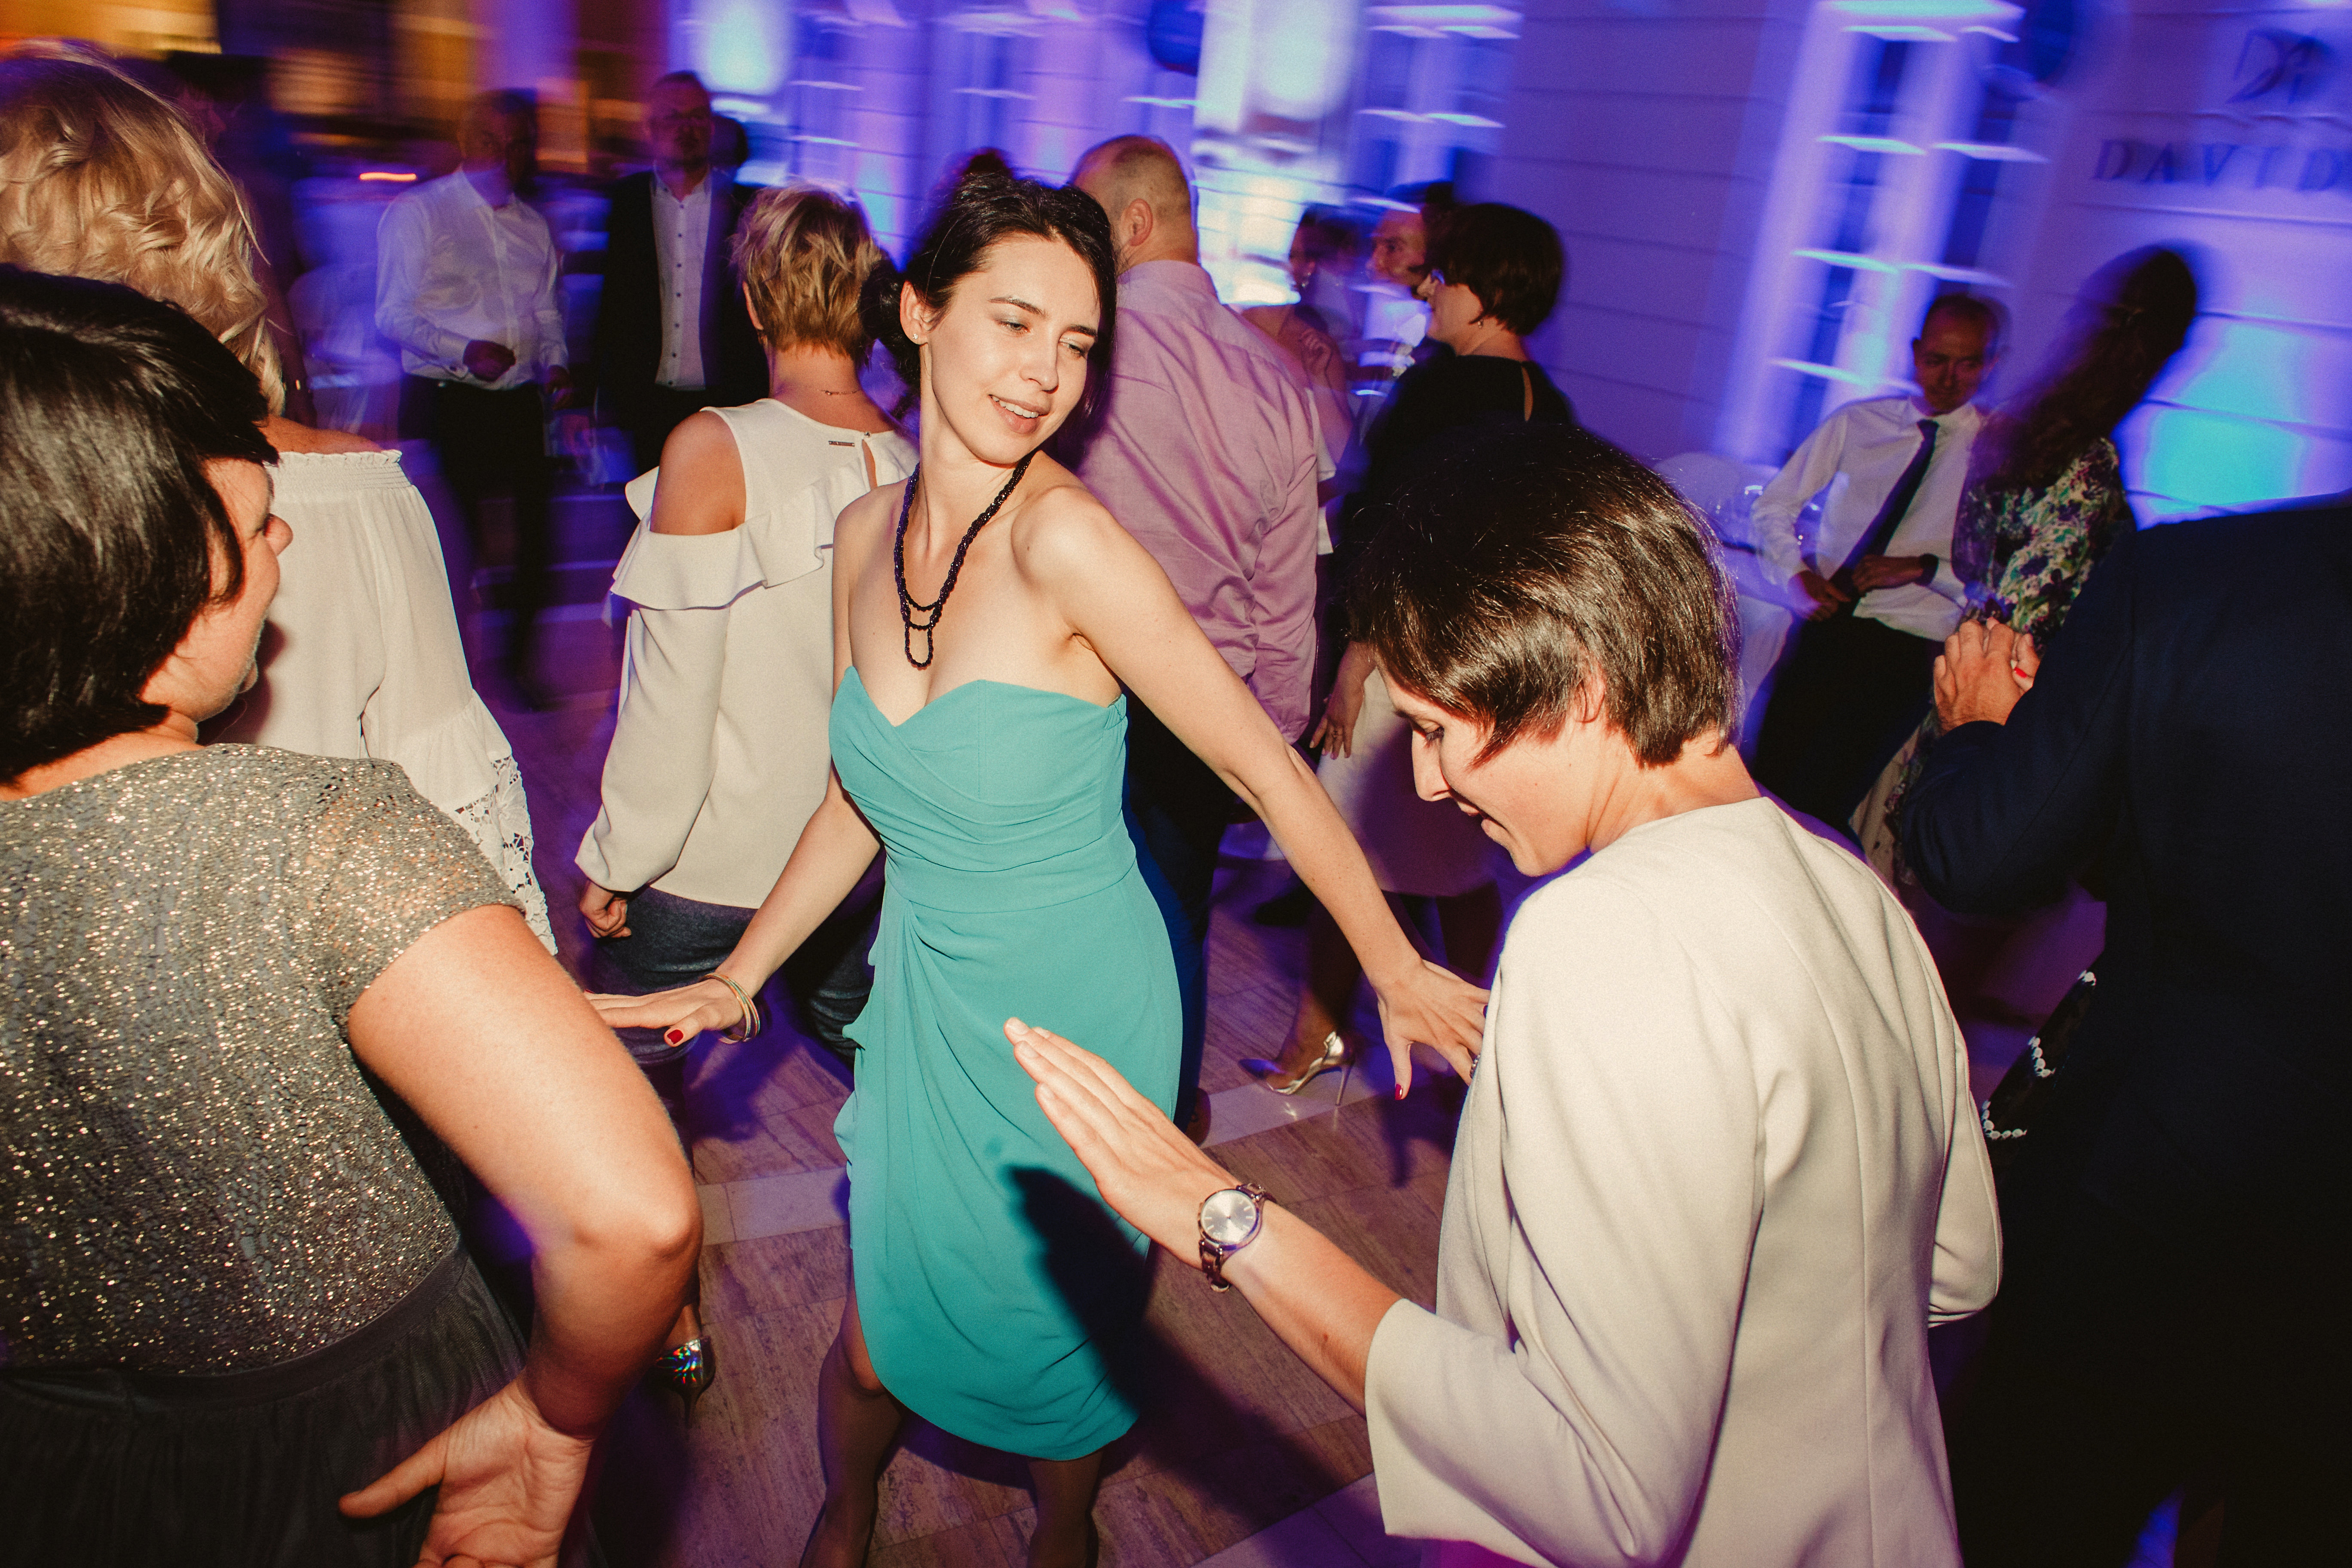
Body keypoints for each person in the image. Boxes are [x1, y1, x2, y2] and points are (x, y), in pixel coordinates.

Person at [589, 168, 1485, 1568]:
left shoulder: (1068, 539)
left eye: (1075, 344)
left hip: (1075, 1009)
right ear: (918, 311)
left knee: (1057, 1332)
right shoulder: (860, 533)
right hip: (926, 1000)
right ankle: (847, 1510)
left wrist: (1391, 962)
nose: (1044, 375)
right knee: (880, 1321)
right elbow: (858, 793)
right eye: (1013, 323)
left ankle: (1065, 1529)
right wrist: (739, 974)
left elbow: (1264, 767)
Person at [1013, 420, 2001, 1567]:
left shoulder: (1601, 933)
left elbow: (1600, 1494)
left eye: (1434, 729)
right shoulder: (1849, 885)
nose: (1427, 781)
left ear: (1578, 684)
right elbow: (1957, 1264)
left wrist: (1228, 1221)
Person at [0, 267, 698, 1565]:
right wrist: (555, 1420)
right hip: (362, 1457)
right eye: (255, 526)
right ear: (137, 565)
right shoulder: (323, 835)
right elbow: (632, 1216)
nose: (285, 546)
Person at [0, 51, 554, 947]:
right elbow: (448, 797)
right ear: (195, 225)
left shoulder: (528, 225)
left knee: (525, 546)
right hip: (310, 963)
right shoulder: (347, 493)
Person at [1900, 484, 2351, 1563]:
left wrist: (1979, 733)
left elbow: (1982, 854)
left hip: (2149, 1213)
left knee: (2032, 1523)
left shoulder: (2201, 582)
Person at [576, 188, 913, 1409]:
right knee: (885, 1067)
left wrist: (617, 856)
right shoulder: (916, 459)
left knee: (623, 1085)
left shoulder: (714, 448)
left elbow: (670, 703)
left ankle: (670, 1314)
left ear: (756, 300)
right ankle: (927, 1284)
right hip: (858, 860)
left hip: (712, 869)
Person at [1247, 201, 1574, 1090]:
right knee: (1456, 866)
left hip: (1405, 658)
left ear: (1488, 290)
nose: (1430, 290)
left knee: (1342, 850)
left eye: (1446, 275)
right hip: (1479, 667)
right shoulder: (1549, 403)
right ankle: (1478, 1047)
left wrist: (1356, 657)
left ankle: (1315, 1036)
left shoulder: (1445, 391)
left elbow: (1392, 527)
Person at [1064, 135, 1328, 1134]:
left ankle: (1073, 1109)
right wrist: (1274, 743)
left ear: (1132, 224)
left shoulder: (1084, 349)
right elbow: (1286, 592)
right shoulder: (1276, 379)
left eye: (1088, 217)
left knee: (1067, 909)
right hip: (1210, 703)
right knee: (1173, 914)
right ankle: (1164, 1113)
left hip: (1078, 682)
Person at [1854, 249, 2197, 886]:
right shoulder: (2089, 468)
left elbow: (1970, 561)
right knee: (1927, 902)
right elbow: (2024, 631)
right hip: (1997, 730)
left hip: (1948, 695)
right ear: (2169, 349)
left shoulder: (2015, 431)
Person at [1748, 293, 2001, 832]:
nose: (1949, 378)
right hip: (1828, 624)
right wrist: (1798, 576)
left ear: (1990, 364)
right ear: (1915, 354)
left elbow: (2001, 579)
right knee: (1763, 782)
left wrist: (1925, 570)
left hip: (1909, 646)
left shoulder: (1998, 453)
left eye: (1967, 364)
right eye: (1936, 360)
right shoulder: (1859, 423)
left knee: (1823, 803)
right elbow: (1773, 506)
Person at [377, 88, 578, 705]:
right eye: (492, 141)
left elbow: (547, 312)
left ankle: (517, 667)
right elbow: (392, 314)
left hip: (518, 403)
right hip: (447, 400)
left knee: (536, 543)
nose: (506, 156)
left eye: (518, 144)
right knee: (451, 551)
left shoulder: (533, 225)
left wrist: (557, 365)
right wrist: (462, 350)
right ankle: (445, 680)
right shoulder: (421, 212)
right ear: (465, 141)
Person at [591, 70, 769, 475]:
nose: (687, 128)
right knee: (645, 509)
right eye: (674, 117)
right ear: (651, 129)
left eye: (697, 116)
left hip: (727, 403)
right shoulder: (627, 201)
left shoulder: (746, 206)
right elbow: (611, 303)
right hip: (646, 401)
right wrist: (593, 399)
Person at [1241, 206, 1359, 470]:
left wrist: (1319, 380)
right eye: (1271, 256)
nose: (1280, 266)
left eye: (1292, 256)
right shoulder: (1226, 327)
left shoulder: (1320, 347)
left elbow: (1346, 457)